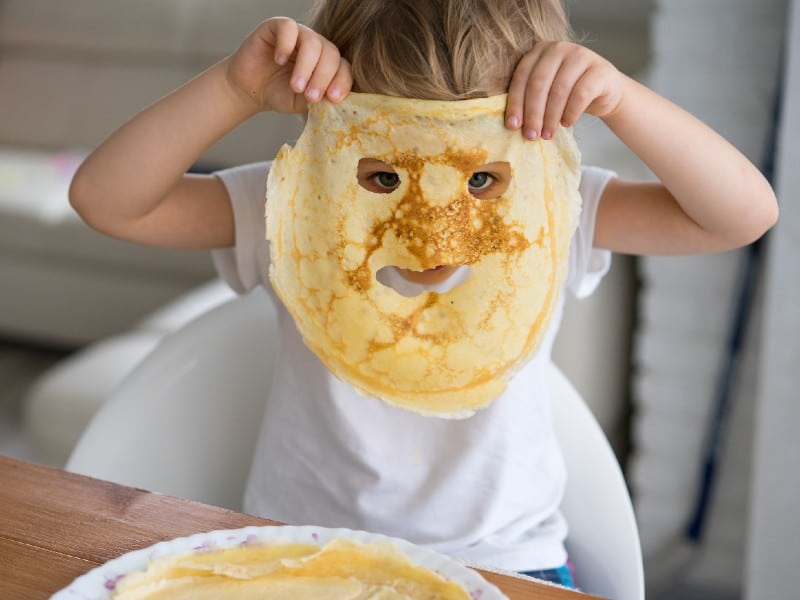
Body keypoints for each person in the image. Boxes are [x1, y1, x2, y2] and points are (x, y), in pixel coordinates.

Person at [68, 0, 778, 589]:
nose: (435, 237)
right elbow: (108, 201)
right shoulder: (291, 206)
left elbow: (743, 216)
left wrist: (623, 101)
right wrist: (232, 89)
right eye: (383, 178)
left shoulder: (560, 209)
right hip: (302, 552)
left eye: (479, 180)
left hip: (507, 560)